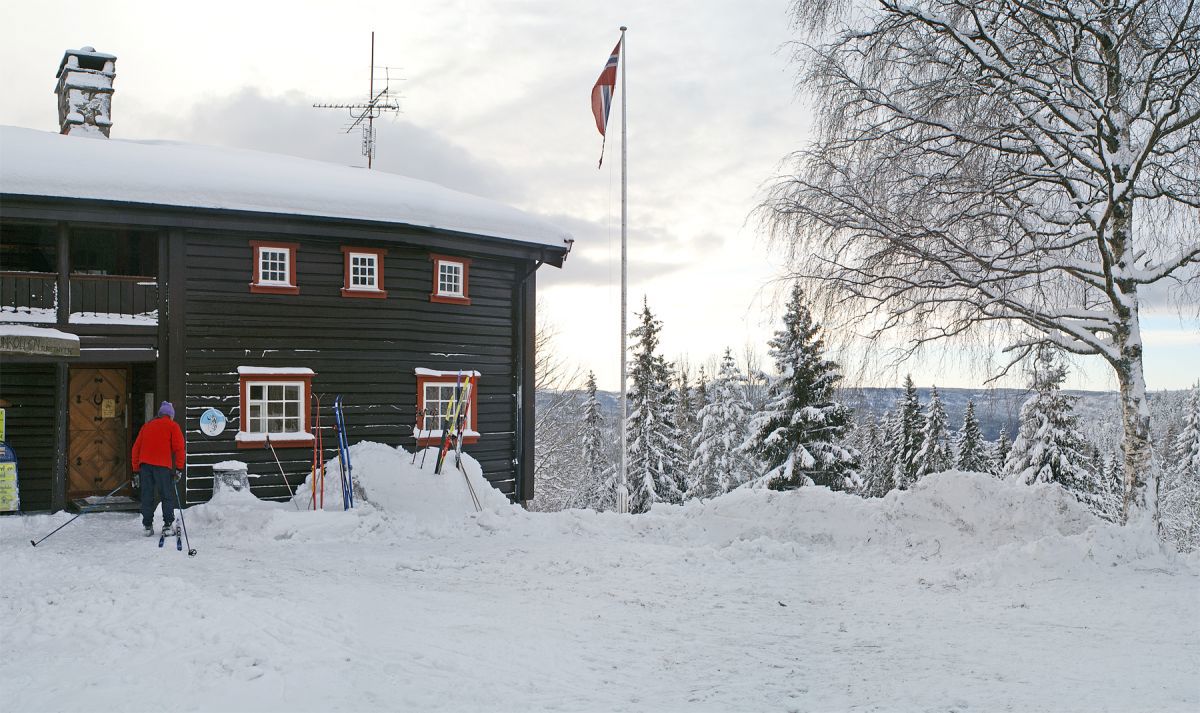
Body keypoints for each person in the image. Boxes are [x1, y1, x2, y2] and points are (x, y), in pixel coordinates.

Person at [131, 401, 186, 537]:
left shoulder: (147, 426)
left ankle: (147, 526)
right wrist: (179, 468)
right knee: (166, 495)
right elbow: (179, 449)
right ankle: (167, 526)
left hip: (145, 466)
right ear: (170, 415)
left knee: (147, 495)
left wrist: (135, 470)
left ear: (160, 414)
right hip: (162, 467)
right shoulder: (173, 426)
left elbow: (135, 449)